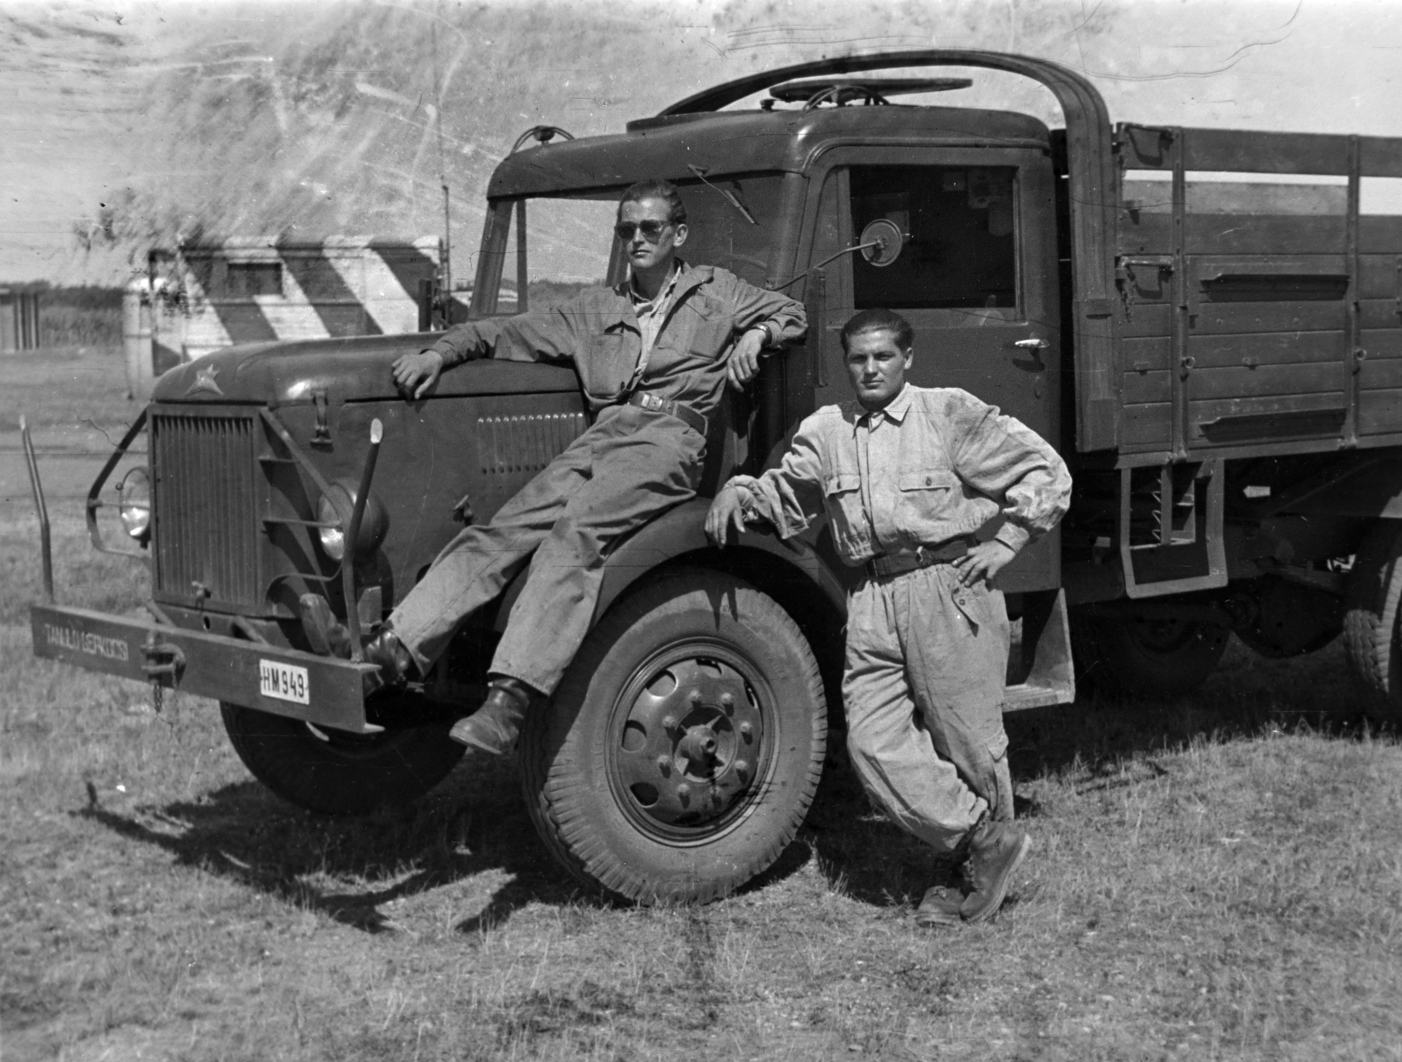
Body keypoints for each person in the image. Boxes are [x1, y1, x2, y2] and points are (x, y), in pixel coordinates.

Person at [364, 178, 807, 756]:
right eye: (627, 230)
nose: (637, 240)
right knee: (505, 529)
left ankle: (509, 699)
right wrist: (439, 353)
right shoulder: (597, 307)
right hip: (606, 434)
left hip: (670, 440)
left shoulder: (716, 293)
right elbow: (505, 331)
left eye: (650, 229)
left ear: (679, 235)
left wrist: (758, 334)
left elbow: (791, 313)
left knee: (580, 532)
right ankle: (396, 647)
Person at [704, 308, 1071, 926]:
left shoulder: (946, 412)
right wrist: (739, 491)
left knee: (969, 743)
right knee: (872, 743)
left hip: (946, 587)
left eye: (883, 357)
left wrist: (1008, 541)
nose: (870, 369)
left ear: (908, 359)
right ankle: (982, 840)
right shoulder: (827, 430)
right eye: (858, 358)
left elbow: (1045, 471)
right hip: (872, 598)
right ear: (846, 363)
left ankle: (976, 878)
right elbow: (787, 496)